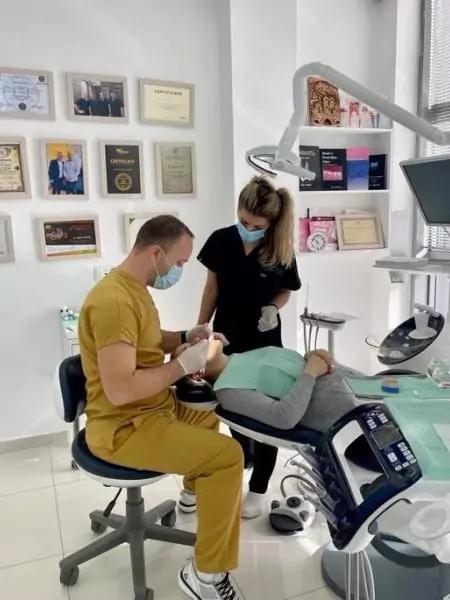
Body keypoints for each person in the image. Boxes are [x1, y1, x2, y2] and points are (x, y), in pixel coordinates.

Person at [78, 215, 243, 600]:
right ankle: (205, 576)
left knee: (207, 410)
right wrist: (181, 366)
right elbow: (120, 391)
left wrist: (187, 336)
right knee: (228, 457)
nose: (180, 270)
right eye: (181, 262)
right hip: (124, 427)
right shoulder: (114, 301)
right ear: (156, 253)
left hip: (152, 409)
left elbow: (149, 342)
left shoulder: (134, 288)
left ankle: (191, 494)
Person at [197, 176, 301, 518]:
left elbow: (285, 290)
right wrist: (202, 327)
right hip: (227, 338)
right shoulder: (221, 241)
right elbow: (211, 287)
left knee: (267, 415)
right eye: (243, 221)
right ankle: (244, 455)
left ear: (270, 223)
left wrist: (274, 308)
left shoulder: (280, 248)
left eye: (257, 226)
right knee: (231, 407)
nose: (248, 228)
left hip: (264, 340)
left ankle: (258, 487)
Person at [175, 340, 358, 440]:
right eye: (189, 347)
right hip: (352, 413)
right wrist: (311, 371)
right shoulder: (228, 392)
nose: (196, 340)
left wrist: (310, 357)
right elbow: (284, 417)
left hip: (358, 384)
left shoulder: (241, 356)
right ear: (196, 374)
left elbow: (285, 375)